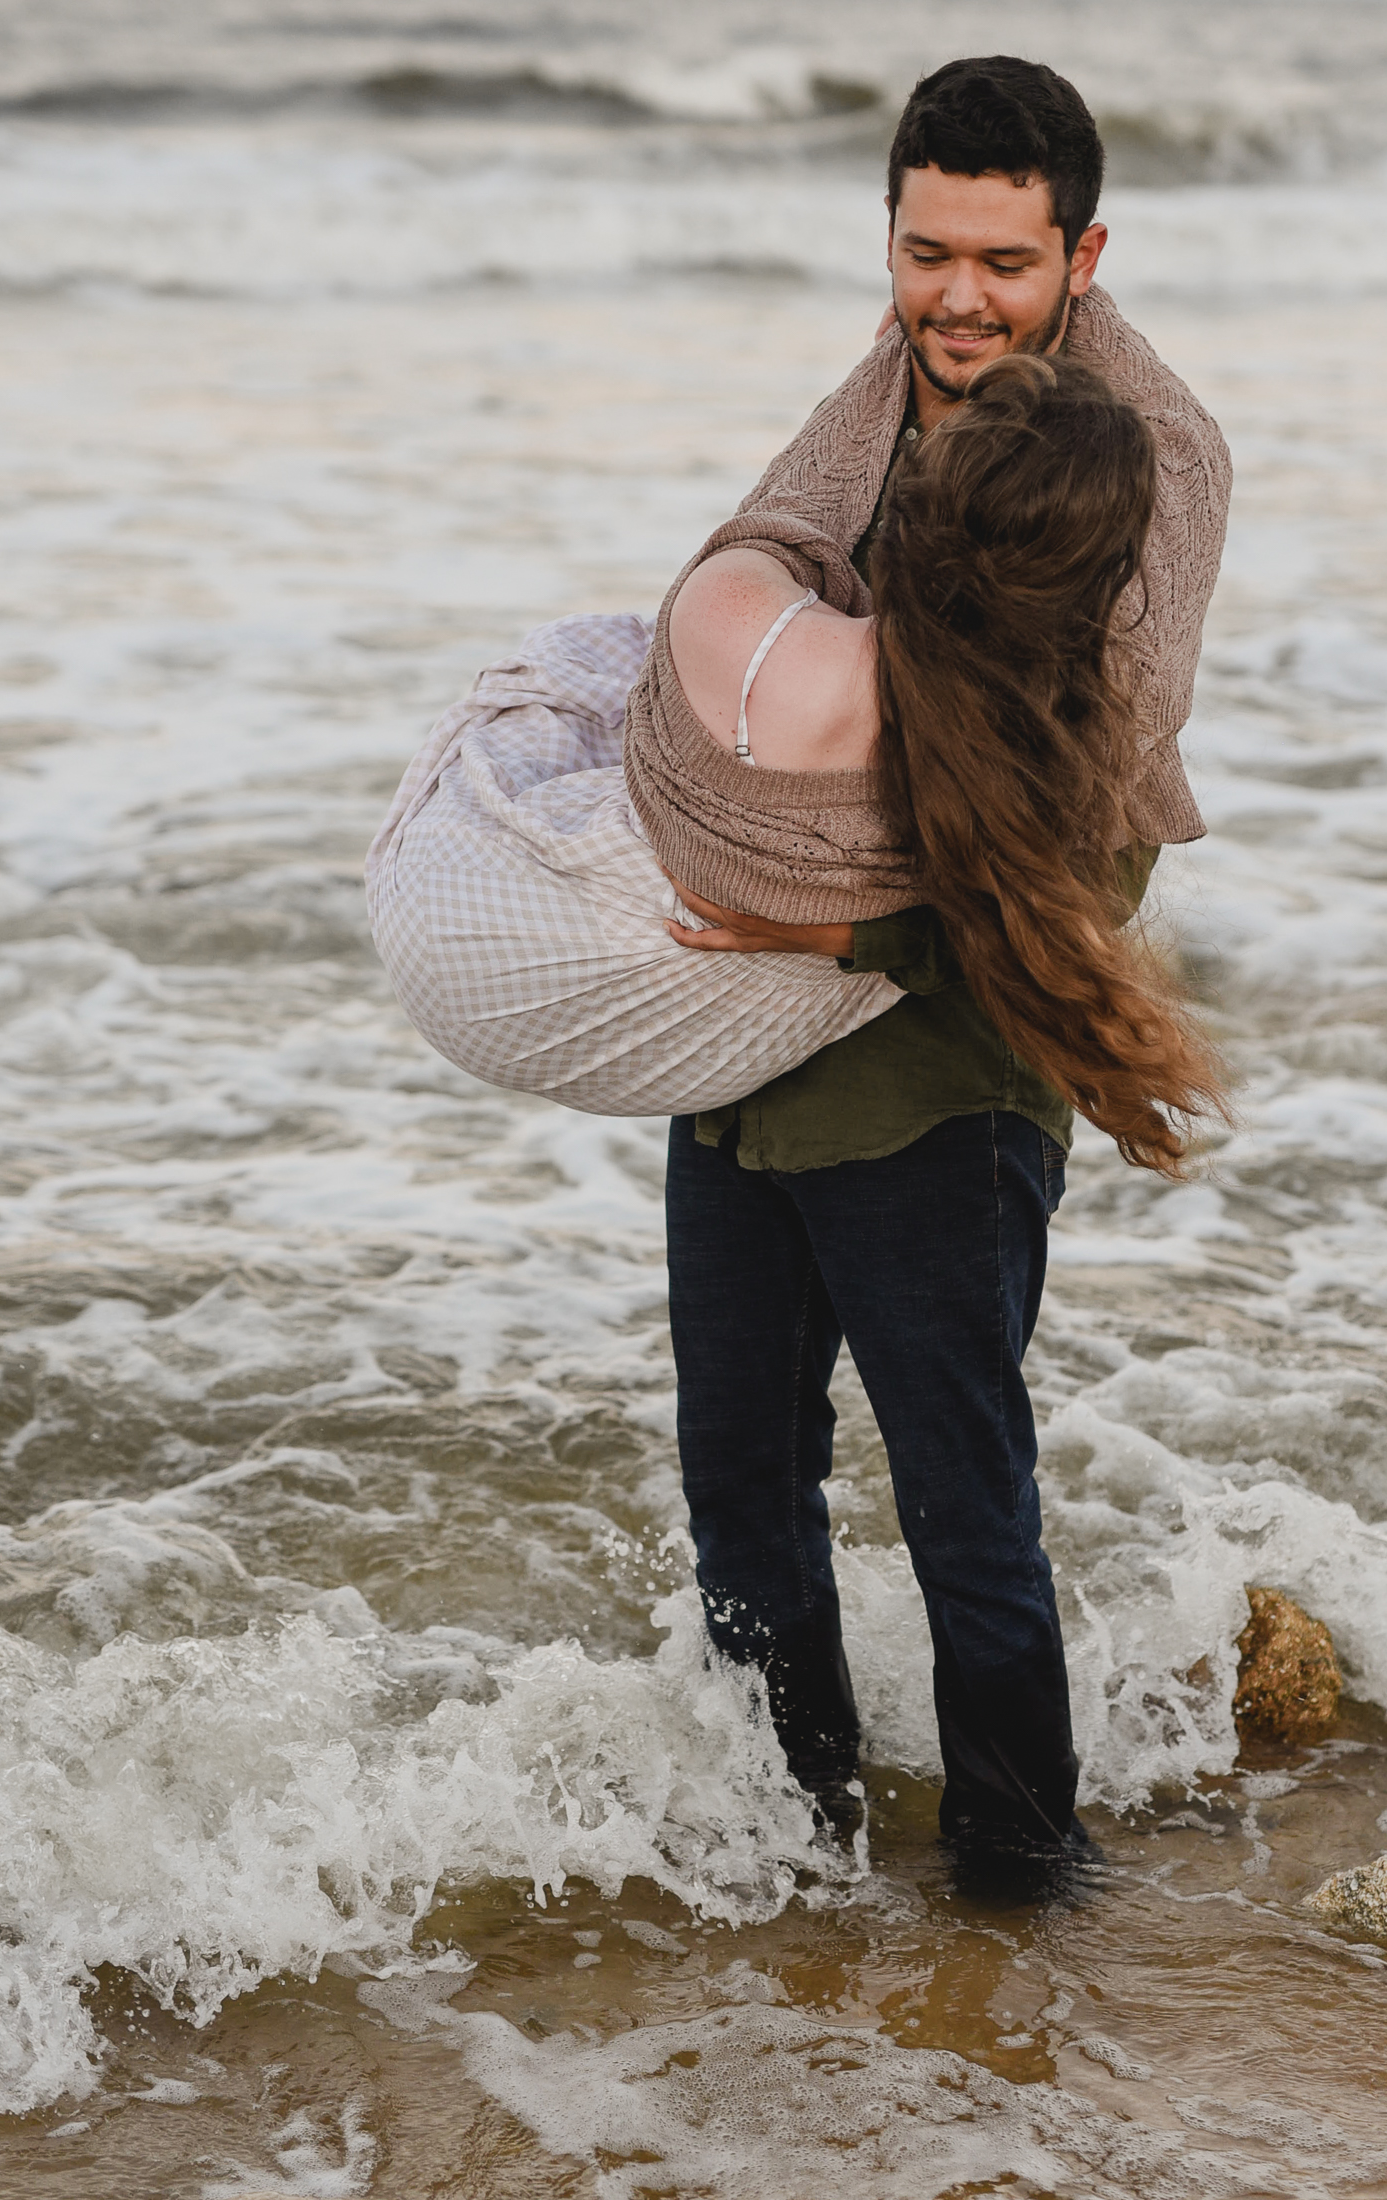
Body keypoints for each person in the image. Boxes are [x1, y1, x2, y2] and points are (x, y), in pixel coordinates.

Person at [638, 55, 1233, 1853]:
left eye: (1001, 261)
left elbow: (1090, 836)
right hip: (753, 1052)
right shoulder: (894, 380)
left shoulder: (1154, 464)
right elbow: (768, 560)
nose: (955, 299)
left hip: (946, 1074)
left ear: (1084, 253)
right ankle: (791, 1850)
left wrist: (833, 922)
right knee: (740, 1478)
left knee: (964, 1498)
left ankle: (1015, 1892)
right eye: (921, 254)